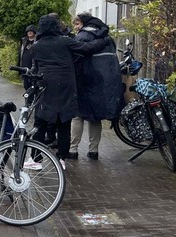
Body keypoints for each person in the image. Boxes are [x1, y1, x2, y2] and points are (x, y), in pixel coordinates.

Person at [28, 14, 112, 169]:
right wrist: (104, 41)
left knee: (41, 124)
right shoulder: (65, 42)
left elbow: (35, 69)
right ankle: (61, 159)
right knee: (64, 123)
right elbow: (87, 49)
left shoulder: (36, 46)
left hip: (46, 86)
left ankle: (36, 160)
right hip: (67, 86)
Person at [68, 13, 123, 160]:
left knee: (77, 115)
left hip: (83, 80)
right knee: (95, 117)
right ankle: (93, 151)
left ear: (83, 23)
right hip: (102, 82)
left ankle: (73, 150)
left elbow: (74, 57)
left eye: (77, 24)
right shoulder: (107, 37)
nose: (75, 27)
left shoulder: (83, 36)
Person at [18, 25, 36, 90]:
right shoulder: (23, 41)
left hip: (34, 67)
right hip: (24, 66)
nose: (29, 33)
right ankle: (28, 99)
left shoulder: (37, 41)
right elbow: (20, 53)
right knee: (26, 85)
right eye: (28, 31)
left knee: (34, 84)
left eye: (31, 31)